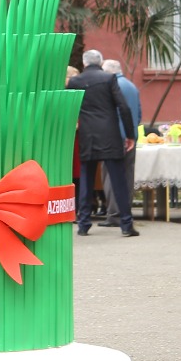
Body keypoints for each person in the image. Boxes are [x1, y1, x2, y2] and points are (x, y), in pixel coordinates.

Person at [67, 49, 138, 237]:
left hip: (87, 135)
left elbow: (68, 110)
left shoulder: (75, 82)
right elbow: (123, 107)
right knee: (118, 180)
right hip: (110, 135)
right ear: (100, 62)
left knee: (86, 179)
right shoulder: (108, 79)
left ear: (84, 63)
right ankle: (126, 224)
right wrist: (130, 135)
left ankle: (83, 224)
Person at [99, 58, 141, 227]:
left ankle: (114, 214)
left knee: (110, 176)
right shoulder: (132, 87)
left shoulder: (111, 86)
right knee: (128, 175)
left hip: (114, 138)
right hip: (131, 137)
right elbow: (138, 114)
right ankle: (126, 211)